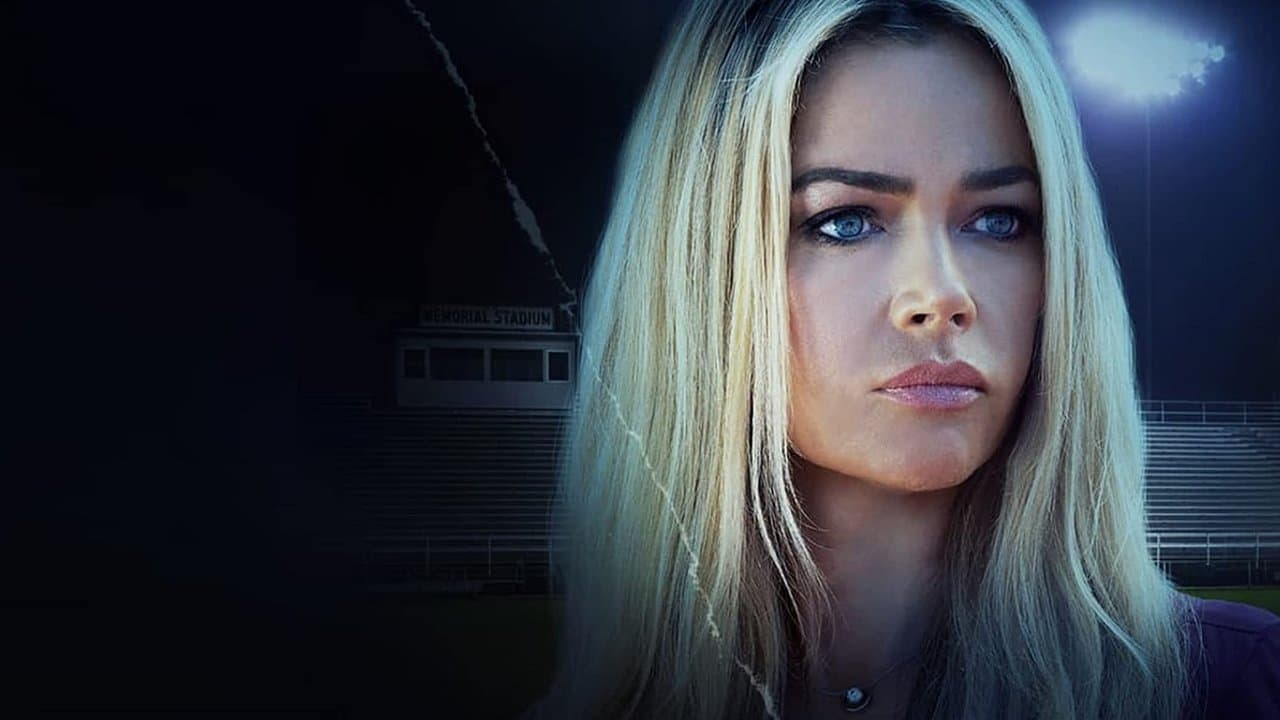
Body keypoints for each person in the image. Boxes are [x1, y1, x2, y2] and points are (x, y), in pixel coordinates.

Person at [525, 0, 1280, 718]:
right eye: (845, 221)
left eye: (999, 220)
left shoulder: (1239, 688)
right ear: (701, 271)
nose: (941, 295)